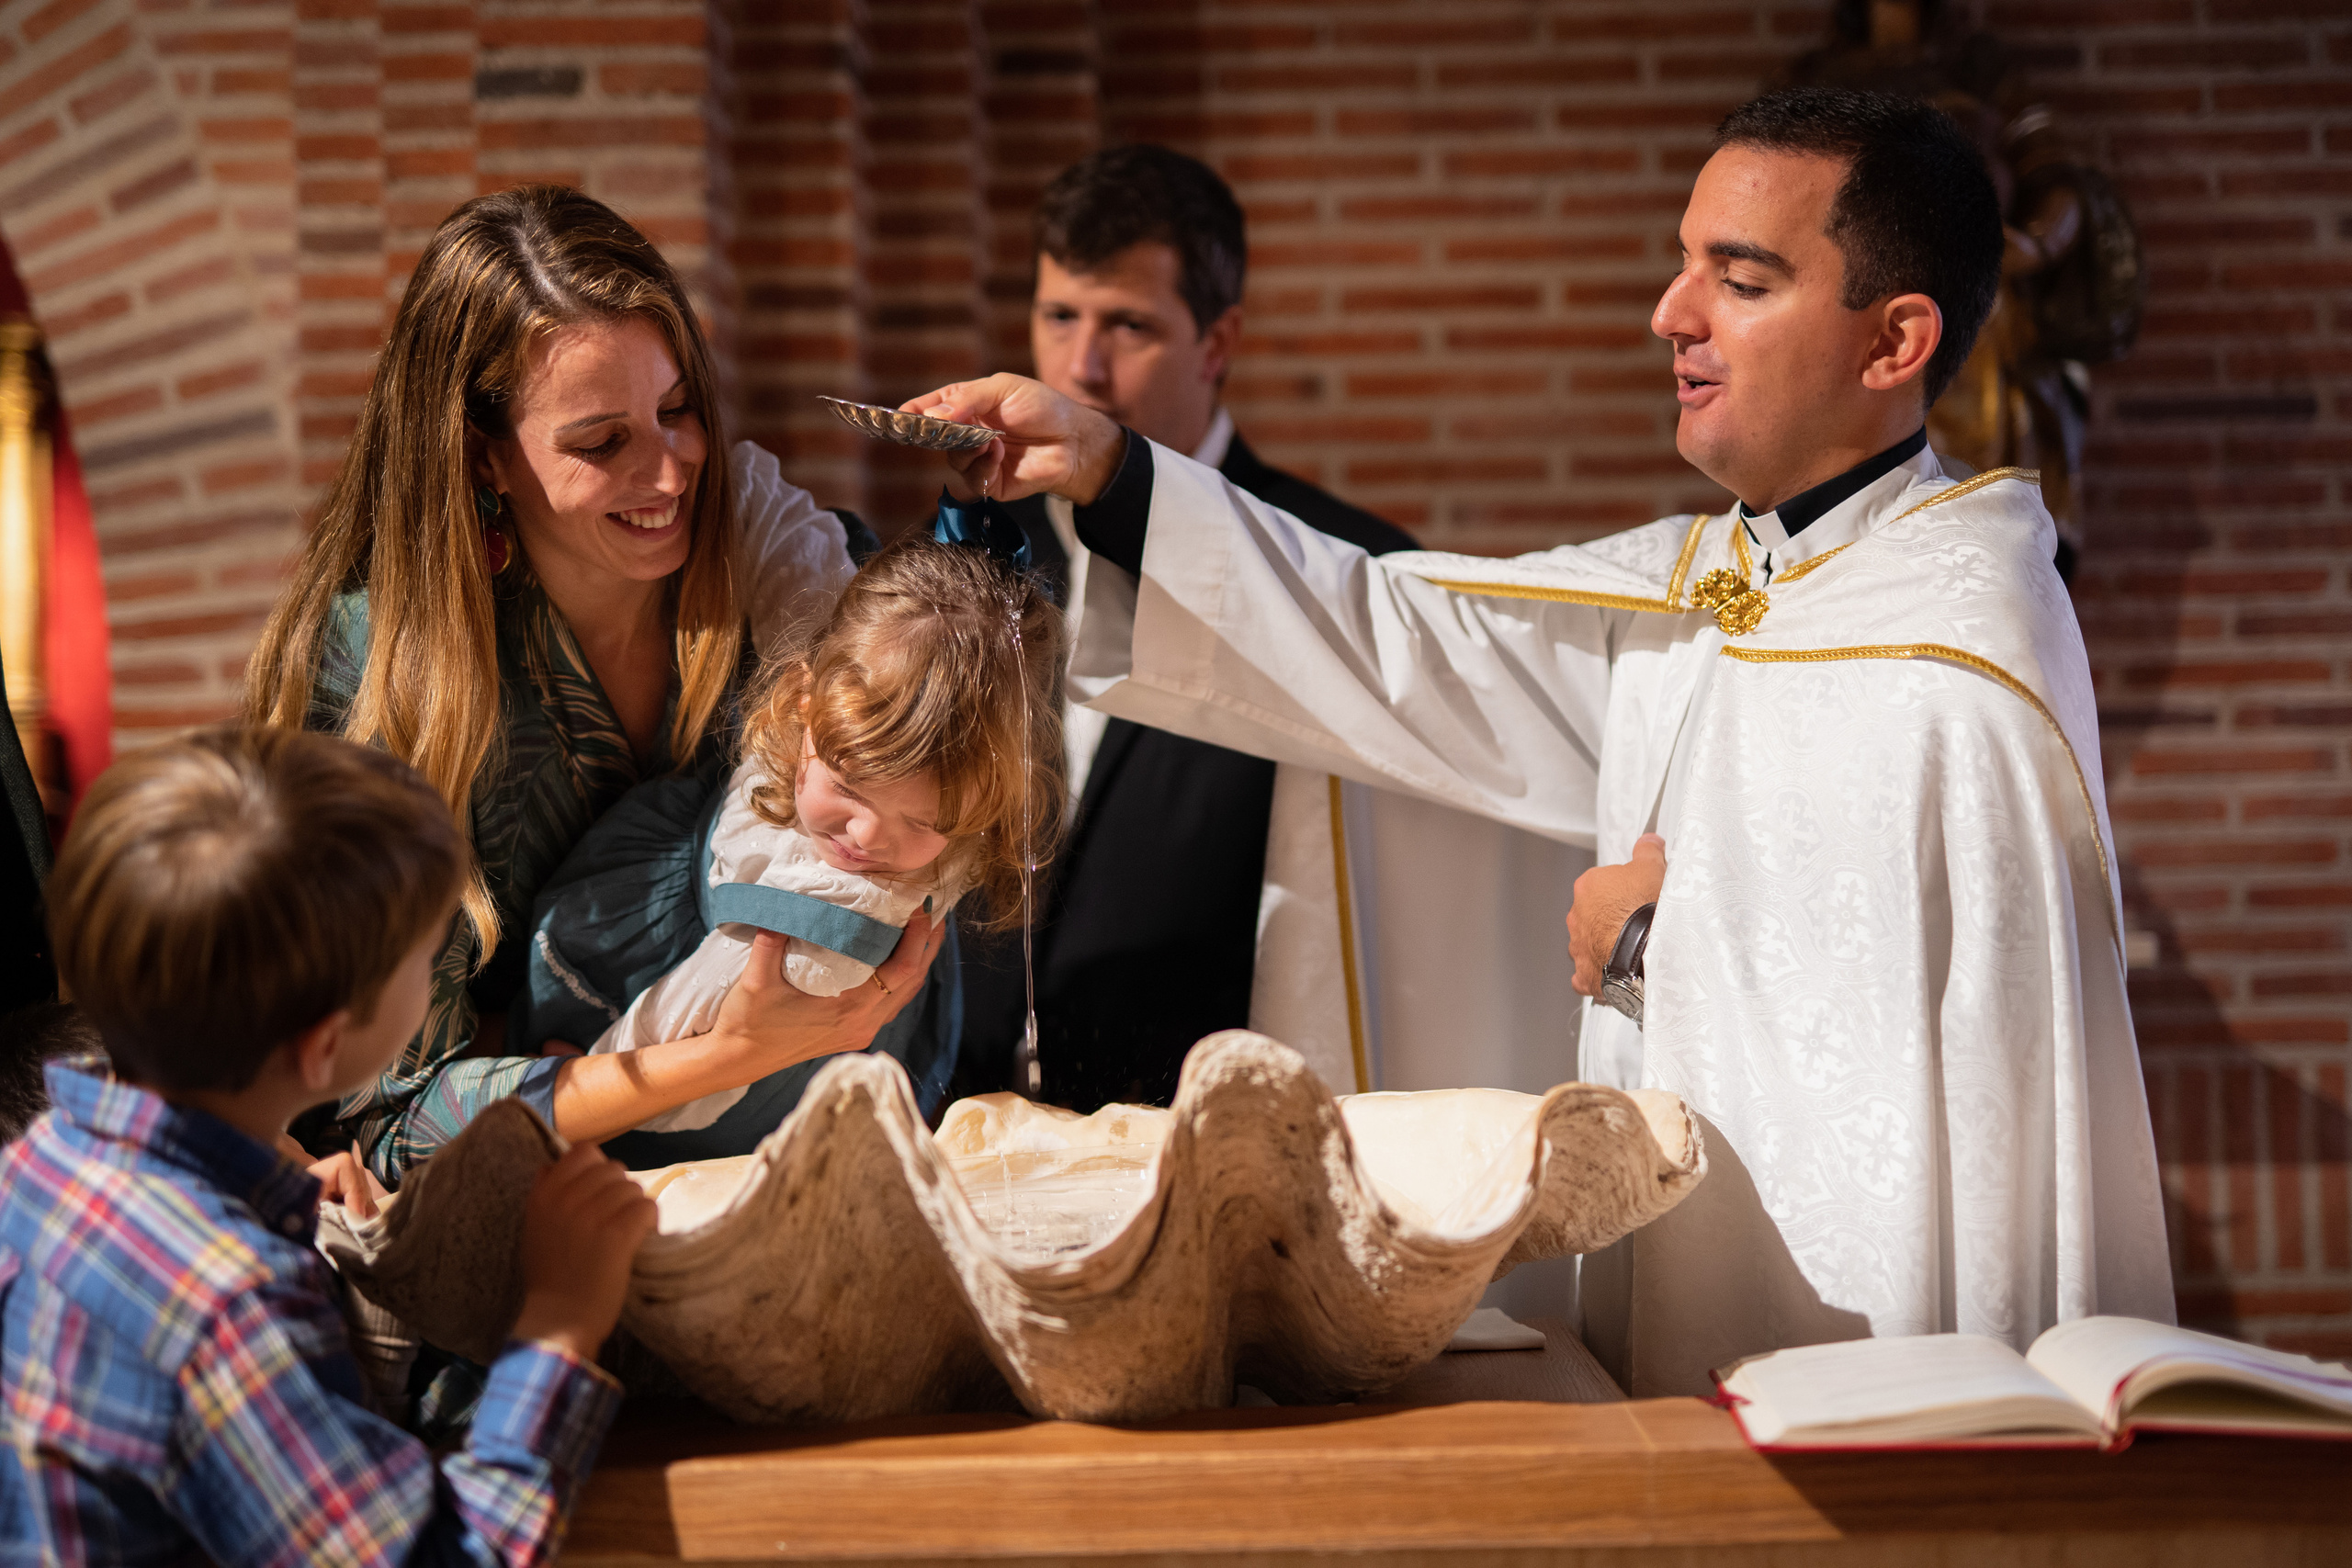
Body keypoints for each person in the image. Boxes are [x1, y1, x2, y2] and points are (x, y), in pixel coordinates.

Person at [905, 88, 2175, 1394]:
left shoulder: (1965, 641)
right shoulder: (1700, 591)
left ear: (1894, 338)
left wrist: (1655, 927)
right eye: (1682, 266)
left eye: (1737, 279)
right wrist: (1116, 471)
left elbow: (1926, 995)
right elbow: (1397, 638)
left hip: (1873, 1333)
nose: (1669, 315)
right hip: (1669, 1311)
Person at [244, 186, 947, 1186]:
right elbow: (384, 1125)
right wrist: (723, 1053)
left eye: (677, 411)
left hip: (838, 1164)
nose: (668, 476)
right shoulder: (379, 680)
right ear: (482, 454)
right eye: (601, 442)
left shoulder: (785, 579)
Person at [946, 145, 1584, 1113]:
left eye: (1129, 325)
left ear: (1216, 341)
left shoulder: (1347, 570)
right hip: (971, 1108)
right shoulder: (971, 547)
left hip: (1217, 1121)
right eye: (1059, 316)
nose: (1081, 365)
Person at [0, 726, 655, 1564]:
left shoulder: (41, 1161)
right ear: (324, 1046)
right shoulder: (230, 1304)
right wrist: (559, 1323)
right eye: (427, 959)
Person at [516, 534, 1064, 1163]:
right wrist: (739, 468)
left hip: (679, 1102)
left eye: (922, 823)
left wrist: (587, 1078)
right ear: (805, 698)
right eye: (848, 786)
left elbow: (680, 1064)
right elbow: (784, 548)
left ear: (988, 804)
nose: (865, 837)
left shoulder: (817, 934)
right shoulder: (856, 680)